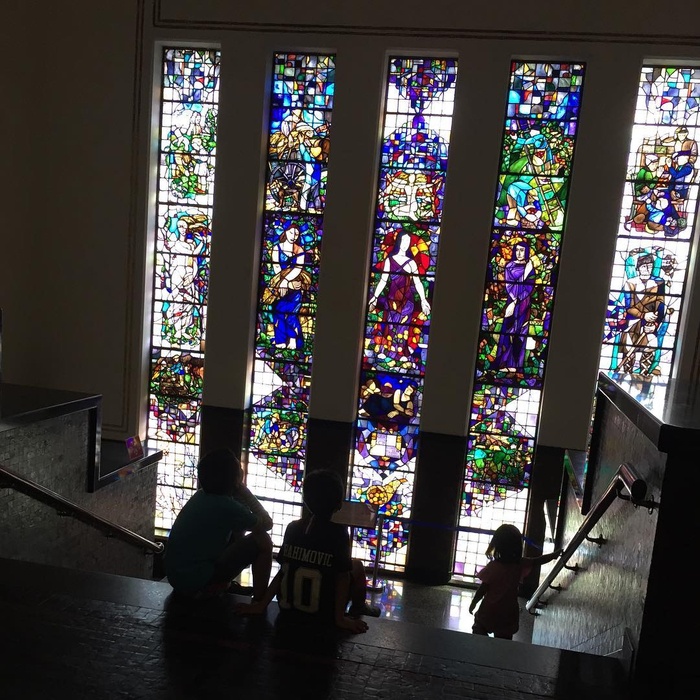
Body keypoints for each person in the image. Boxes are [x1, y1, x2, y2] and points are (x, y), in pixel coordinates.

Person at [235, 468, 380, 632]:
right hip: (323, 614)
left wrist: (261, 605)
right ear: (339, 504)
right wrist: (340, 619)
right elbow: (342, 578)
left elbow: (283, 571)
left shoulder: (293, 528)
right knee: (357, 566)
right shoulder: (338, 533)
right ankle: (359, 608)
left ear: (305, 500)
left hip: (289, 612)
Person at [164, 448, 273, 601]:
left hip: (177, 577)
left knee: (238, 529)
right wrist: (243, 490)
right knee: (263, 540)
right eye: (239, 469)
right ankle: (259, 602)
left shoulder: (200, 495)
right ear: (234, 478)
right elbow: (267, 523)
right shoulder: (227, 506)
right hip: (194, 579)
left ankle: (220, 585)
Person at [468, 524, 563, 640]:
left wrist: (474, 603)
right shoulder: (519, 565)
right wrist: (554, 555)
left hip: (489, 612)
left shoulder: (493, 567)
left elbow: (483, 588)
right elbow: (538, 561)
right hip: (508, 614)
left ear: (497, 545)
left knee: (479, 630)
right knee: (504, 642)